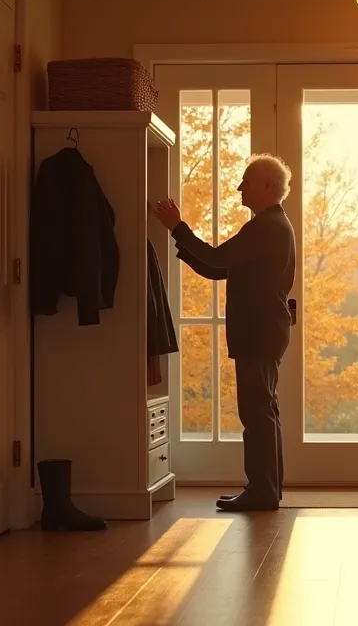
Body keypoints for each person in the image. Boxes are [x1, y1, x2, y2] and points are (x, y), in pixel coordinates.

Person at [152, 155, 297, 512]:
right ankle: (268, 488)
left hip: (258, 331)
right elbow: (221, 269)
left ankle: (262, 491)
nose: (239, 188)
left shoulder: (265, 227)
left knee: (257, 413)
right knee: (264, 411)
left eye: (245, 181)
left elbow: (218, 260)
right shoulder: (273, 226)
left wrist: (177, 227)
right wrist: (182, 242)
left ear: (266, 186)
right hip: (265, 330)